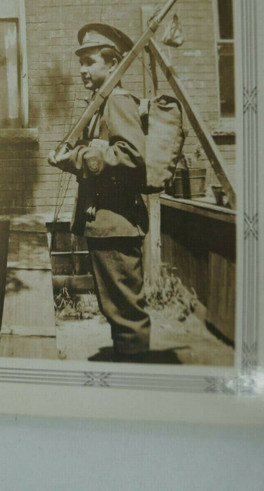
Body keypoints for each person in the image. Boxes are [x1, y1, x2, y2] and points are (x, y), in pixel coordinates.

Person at [48, 23, 151, 362]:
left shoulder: (118, 101)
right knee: (115, 310)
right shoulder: (102, 104)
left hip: (117, 226)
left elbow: (132, 155)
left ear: (113, 64)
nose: (82, 70)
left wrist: (77, 156)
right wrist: (72, 158)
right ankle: (128, 368)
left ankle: (136, 381)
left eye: (90, 61)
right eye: (81, 62)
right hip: (105, 226)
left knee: (126, 315)